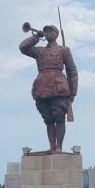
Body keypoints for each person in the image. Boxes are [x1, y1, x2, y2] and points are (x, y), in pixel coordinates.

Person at [19, 23, 78, 153]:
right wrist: (36, 37)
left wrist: (73, 92)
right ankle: (52, 147)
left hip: (59, 88)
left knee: (59, 118)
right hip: (41, 88)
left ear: (56, 34)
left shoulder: (64, 50)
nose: (47, 33)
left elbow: (72, 71)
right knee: (48, 119)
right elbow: (23, 48)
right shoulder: (39, 51)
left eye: (50, 31)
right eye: (45, 31)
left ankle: (59, 147)